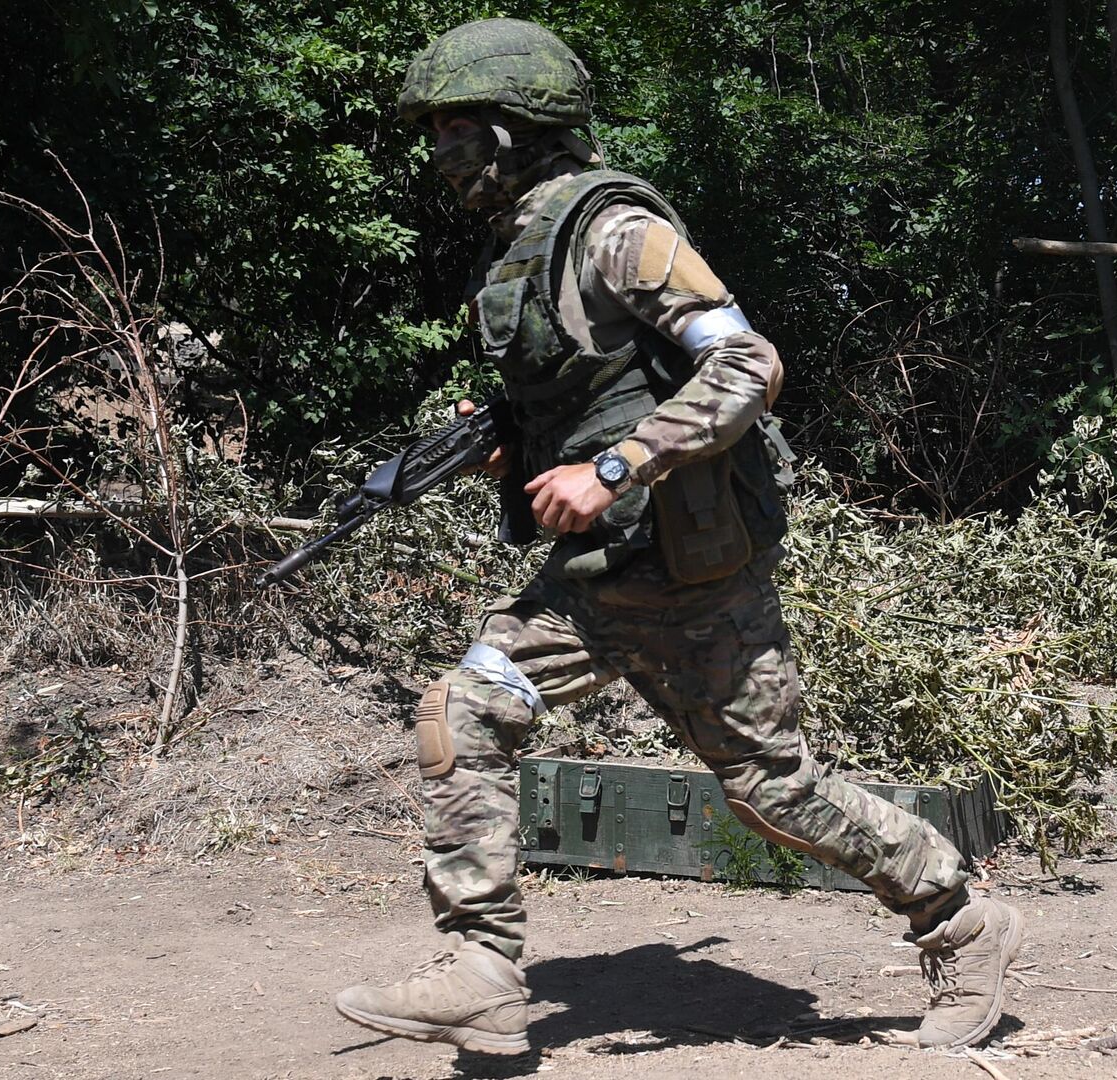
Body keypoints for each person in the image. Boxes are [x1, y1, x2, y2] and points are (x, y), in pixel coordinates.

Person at [332, 18, 1025, 1056]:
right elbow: (599, 388)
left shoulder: (615, 230)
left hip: (697, 573)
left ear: (518, 133)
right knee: (460, 711)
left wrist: (613, 467)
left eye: (457, 132)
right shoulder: (524, 245)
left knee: (775, 794)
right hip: (600, 581)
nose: (440, 156)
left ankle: (963, 922)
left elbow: (747, 364)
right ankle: (483, 968)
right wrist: (524, 450)